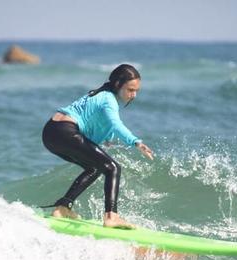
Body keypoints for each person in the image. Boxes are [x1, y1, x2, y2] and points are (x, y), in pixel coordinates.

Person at [41, 64, 153, 229]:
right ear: (118, 85)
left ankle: (63, 207)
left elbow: (95, 119)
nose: (134, 95)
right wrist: (136, 141)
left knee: (95, 167)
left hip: (51, 132)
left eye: (136, 90)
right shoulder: (108, 99)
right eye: (130, 89)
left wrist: (107, 137)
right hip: (65, 131)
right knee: (113, 168)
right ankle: (111, 217)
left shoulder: (98, 94)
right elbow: (115, 123)